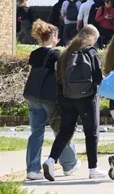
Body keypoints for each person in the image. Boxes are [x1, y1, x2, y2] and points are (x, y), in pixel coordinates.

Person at [45, 24, 103, 181]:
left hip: (67, 98)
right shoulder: (91, 52)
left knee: (65, 131)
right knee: (91, 133)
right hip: (87, 98)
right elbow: (98, 77)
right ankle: (93, 168)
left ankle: (50, 160)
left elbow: (58, 78)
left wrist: (62, 96)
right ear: (92, 38)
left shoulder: (65, 53)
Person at [23, 20, 78, 180]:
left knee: (36, 133)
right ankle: (69, 164)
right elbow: (60, 76)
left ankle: (32, 169)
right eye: (57, 36)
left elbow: (31, 73)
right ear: (53, 36)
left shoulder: (34, 53)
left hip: (32, 95)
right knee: (60, 130)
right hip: (49, 97)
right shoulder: (57, 54)